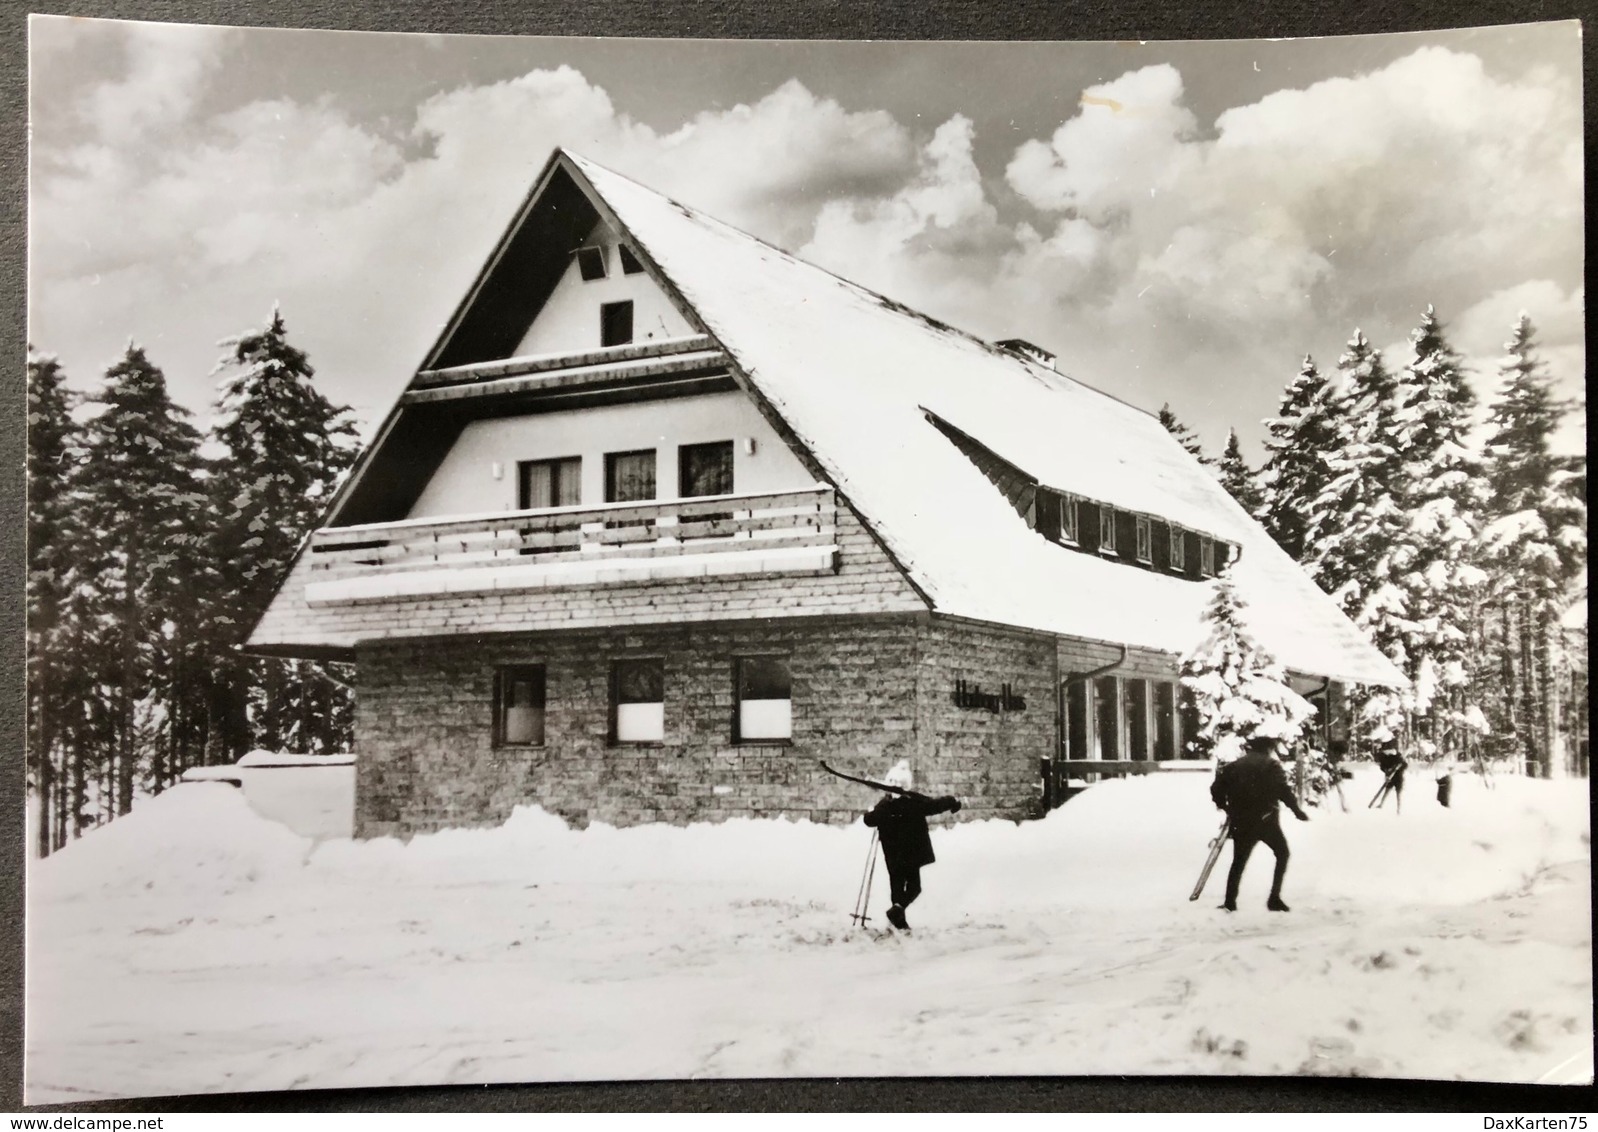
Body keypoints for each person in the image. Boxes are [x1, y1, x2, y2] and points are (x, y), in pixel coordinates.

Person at [1209, 735, 1309, 912]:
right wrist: (1297, 811)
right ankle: (1274, 898)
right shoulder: (1272, 765)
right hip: (1266, 819)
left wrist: (1224, 806)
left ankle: (1230, 901)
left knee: (1238, 860)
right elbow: (1283, 790)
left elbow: (1216, 787)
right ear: (1268, 749)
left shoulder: (1234, 766)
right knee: (1282, 854)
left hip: (1241, 819)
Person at [861, 760, 961, 930]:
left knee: (897, 887)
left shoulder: (885, 805)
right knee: (914, 887)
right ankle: (898, 915)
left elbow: (869, 821)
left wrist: (869, 812)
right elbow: (935, 805)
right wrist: (951, 801)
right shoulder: (914, 802)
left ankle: (898, 919)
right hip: (911, 855)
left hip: (892, 856)